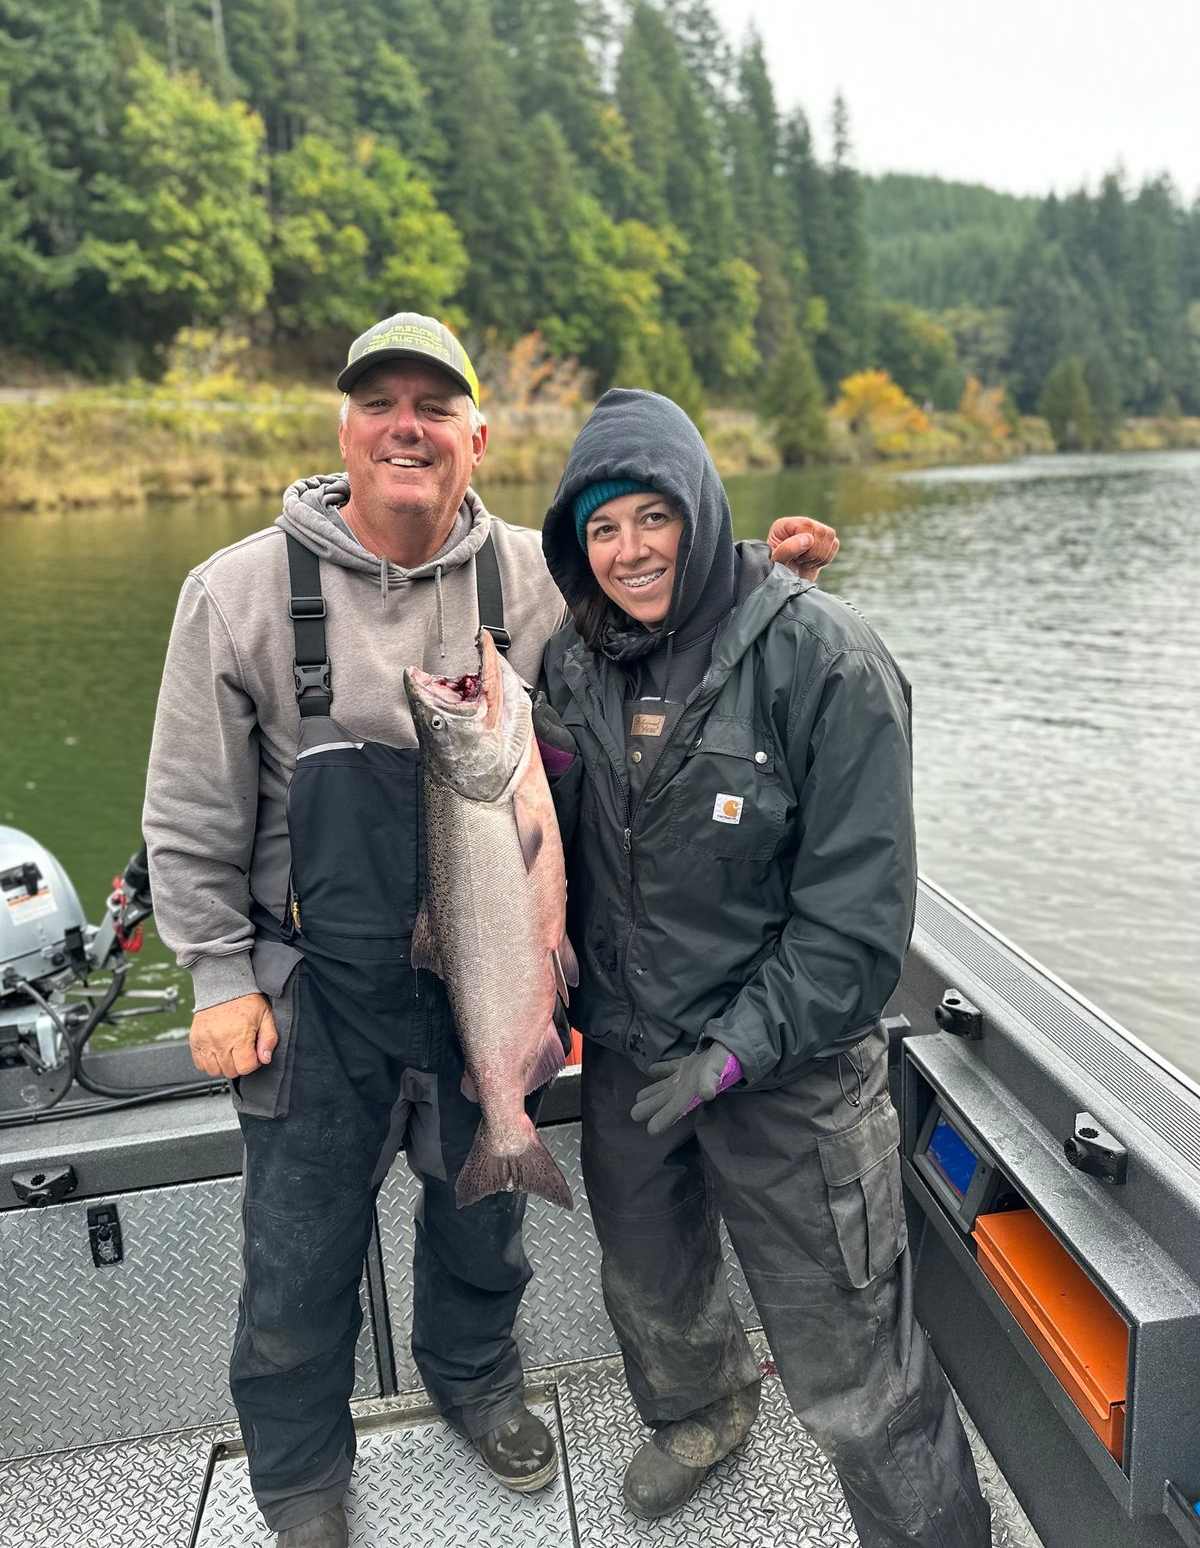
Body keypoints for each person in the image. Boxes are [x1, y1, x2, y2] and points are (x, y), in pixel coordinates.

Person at [142, 312, 837, 1548]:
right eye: (378, 403)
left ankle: (477, 1386)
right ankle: (300, 1474)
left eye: (433, 404)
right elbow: (191, 808)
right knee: (297, 1261)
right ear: (345, 430)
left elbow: (661, 634)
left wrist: (760, 585)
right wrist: (214, 976)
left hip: (493, 967)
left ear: (477, 433)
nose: (405, 425)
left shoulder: (540, 571)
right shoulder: (233, 593)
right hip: (314, 990)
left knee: (485, 1223)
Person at [539, 388, 992, 1547]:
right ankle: (701, 1417)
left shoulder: (828, 659)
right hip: (633, 1061)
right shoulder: (566, 658)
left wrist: (734, 1051)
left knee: (855, 1373)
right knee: (649, 1282)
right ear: (574, 545)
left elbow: (857, 925)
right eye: (602, 528)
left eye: (653, 516)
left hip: (790, 1078)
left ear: (701, 506)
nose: (630, 550)